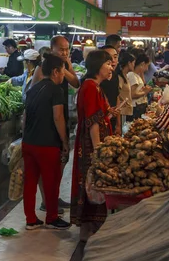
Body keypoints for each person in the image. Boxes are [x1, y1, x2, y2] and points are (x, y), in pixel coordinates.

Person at [22, 53, 71, 230]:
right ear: (56, 71)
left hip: (28, 142)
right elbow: (58, 117)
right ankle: (51, 217)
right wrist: (64, 141)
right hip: (47, 144)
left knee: (30, 182)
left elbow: (25, 117)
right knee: (51, 181)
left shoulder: (33, 89)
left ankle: (30, 219)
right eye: (63, 70)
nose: (64, 74)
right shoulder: (56, 90)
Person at [31, 36, 80, 211]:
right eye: (61, 49)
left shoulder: (65, 66)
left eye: (67, 49)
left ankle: (54, 196)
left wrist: (65, 66)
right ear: (52, 49)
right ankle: (46, 201)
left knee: (61, 159)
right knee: (47, 164)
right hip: (46, 119)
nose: (65, 52)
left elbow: (75, 82)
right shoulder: (42, 67)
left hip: (62, 114)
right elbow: (32, 92)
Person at [71, 50, 115, 241]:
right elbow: (92, 122)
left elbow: (98, 116)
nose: (111, 66)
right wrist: (98, 149)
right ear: (98, 66)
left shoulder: (94, 86)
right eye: (108, 63)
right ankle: (88, 232)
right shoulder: (90, 87)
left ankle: (89, 232)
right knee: (91, 183)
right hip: (90, 145)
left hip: (94, 142)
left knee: (92, 184)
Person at [99, 45, 120, 132]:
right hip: (99, 123)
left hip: (113, 120)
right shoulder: (95, 80)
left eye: (115, 57)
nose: (113, 60)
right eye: (108, 57)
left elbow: (117, 97)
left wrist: (118, 124)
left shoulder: (115, 76)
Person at [128, 54, 152, 120]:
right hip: (135, 108)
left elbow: (143, 85)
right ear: (142, 64)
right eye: (147, 66)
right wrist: (145, 92)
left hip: (138, 107)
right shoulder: (132, 76)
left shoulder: (136, 75)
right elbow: (132, 94)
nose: (147, 69)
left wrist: (141, 72)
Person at [116, 52, 136, 129]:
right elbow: (117, 93)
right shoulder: (120, 78)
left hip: (127, 111)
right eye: (133, 63)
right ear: (129, 63)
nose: (134, 65)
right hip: (122, 112)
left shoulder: (125, 76)